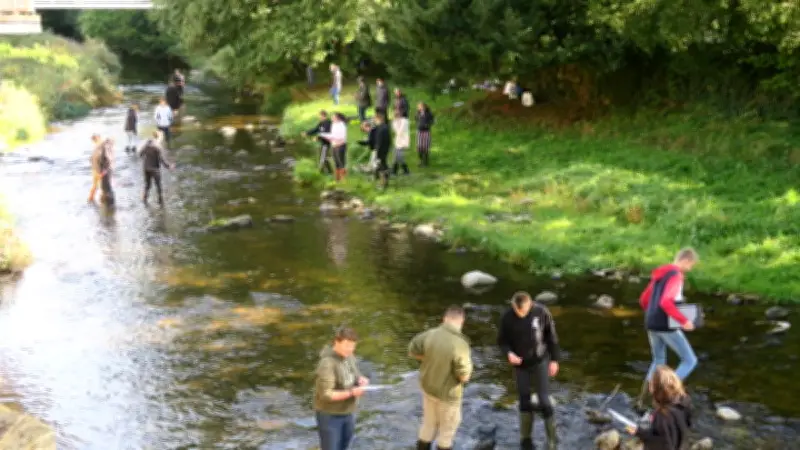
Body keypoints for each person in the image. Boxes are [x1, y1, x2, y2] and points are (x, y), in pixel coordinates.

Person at [636, 248, 700, 411]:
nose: (690, 269)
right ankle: (665, 394)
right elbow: (666, 302)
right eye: (691, 265)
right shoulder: (676, 275)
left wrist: (652, 314)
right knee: (690, 360)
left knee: (658, 360)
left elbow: (643, 300)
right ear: (686, 260)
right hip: (665, 325)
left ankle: (643, 401)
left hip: (651, 322)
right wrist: (684, 320)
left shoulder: (660, 274)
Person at [497, 291, 561, 450]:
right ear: (513, 305)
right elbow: (502, 341)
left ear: (530, 305)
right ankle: (526, 439)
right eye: (517, 312)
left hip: (540, 361)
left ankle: (552, 441)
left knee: (544, 400)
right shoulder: (507, 317)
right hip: (520, 364)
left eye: (523, 312)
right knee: (524, 400)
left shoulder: (541, 312)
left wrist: (555, 360)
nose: (520, 315)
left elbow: (551, 336)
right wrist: (509, 353)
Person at [408, 305, 472, 450]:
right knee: (446, 432)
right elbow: (464, 376)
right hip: (447, 395)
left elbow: (412, 350)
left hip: (428, 389)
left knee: (428, 425)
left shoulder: (429, 334)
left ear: (444, 319)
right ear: (462, 321)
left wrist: (429, 359)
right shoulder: (460, 343)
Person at [313, 327, 369, 450]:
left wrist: (360, 379)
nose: (350, 349)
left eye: (353, 346)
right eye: (347, 345)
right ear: (336, 342)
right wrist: (352, 392)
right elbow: (326, 395)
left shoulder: (349, 356)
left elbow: (355, 374)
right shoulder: (327, 364)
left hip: (349, 412)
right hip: (330, 416)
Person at [626, 365, 692, 450]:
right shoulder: (684, 403)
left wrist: (640, 433)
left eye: (652, 383)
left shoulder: (662, 415)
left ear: (658, 389)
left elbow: (663, 443)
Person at [139, 131, 175, 206]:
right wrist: (169, 166)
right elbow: (161, 160)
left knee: (147, 185)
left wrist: (147, 158)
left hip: (146, 168)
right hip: (155, 169)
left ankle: (144, 199)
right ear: (159, 137)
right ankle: (160, 202)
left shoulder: (147, 143)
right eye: (161, 137)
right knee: (158, 185)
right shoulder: (157, 147)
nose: (162, 139)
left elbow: (140, 154)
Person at [319, 112, 348, 181]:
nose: (332, 118)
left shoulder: (342, 125)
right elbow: (332, 135)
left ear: (337, 118)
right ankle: (337, 179)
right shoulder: (334, 125)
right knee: (336, 162)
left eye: (333, 117)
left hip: (340, 146)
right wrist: (324, 136)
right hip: (334, 146)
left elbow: (340, 137)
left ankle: (343, 179)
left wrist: (325, 135)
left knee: (341, 162)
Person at [370, 113, 391, 190]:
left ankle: (383, 184)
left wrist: (378, 153)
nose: (374, 121)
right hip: (383, 150)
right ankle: (384, 182)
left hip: (381, 150)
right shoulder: (383, 127)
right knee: (382, 166)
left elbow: (380, 142)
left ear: (379, 119)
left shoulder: (382, 128)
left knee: (382, 167)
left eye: (374, 119)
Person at [88, 134, 106, 203]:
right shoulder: (101, 146)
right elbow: (102, 159)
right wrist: (103, 170)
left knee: (95, 185)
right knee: (102, 187)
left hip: (94, 169)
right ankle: (102, 202)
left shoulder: (95, 147)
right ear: (97, 138)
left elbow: (90, 159)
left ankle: (90, 199)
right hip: (99, 170)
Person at [416, 102, 435, 167]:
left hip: (426, 131)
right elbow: (416, 119)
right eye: (419, 107)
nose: (421, 108)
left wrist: (428, 125)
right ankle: (421, 160)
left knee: (426, 147)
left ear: (425, 107)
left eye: (422, 107)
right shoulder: (418, 113)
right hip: (420, 131)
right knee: (419, 147)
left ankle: (426, 161)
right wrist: (418, 124)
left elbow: (433, 121)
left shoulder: (429, 113)